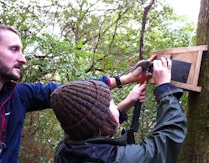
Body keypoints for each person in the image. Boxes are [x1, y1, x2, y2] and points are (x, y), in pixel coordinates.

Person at [0, 24, 154, 162]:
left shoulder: (20, 94)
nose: (23, 59)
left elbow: (72, 91)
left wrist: (126, 79)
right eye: (14, 49)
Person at [51, 57, 187, 163]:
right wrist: (164, 89)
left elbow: (92, 130)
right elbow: (165, 143)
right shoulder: (110, 159)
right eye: (112, 104)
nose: (116, 106)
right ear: (102, 121)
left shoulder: (65, 149)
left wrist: (127, 103)